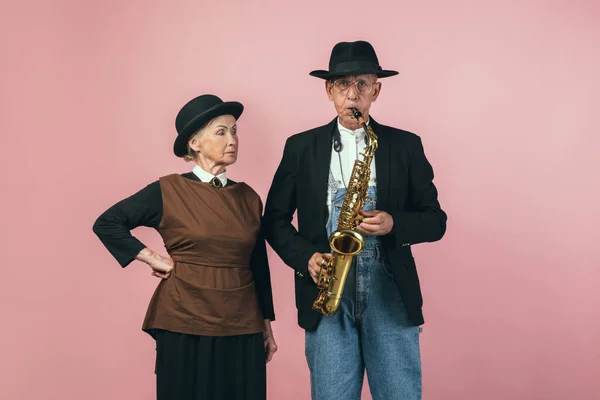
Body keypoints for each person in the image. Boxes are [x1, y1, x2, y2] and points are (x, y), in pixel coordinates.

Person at [262, 40, 447, 400]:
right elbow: (274, 220)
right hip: (327, 289)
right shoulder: (301, 147)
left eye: (362, 84)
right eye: (343, 84)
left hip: (389, 291)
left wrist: (394, 223)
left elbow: (435, 220)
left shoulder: (405, 145)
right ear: (328, 90)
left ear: (376, 90)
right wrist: (306, 258)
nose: (352, 95)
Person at [92, 94, 277, 400]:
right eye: (221, 132)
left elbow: (258, 264)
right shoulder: (168, 190)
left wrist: (266, 324)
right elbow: (108, 222)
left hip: (243, 322)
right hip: (184, 319)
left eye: (235, 131)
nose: (232, 139)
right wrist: (151, 257)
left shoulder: (248, 197)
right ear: (195, 143)